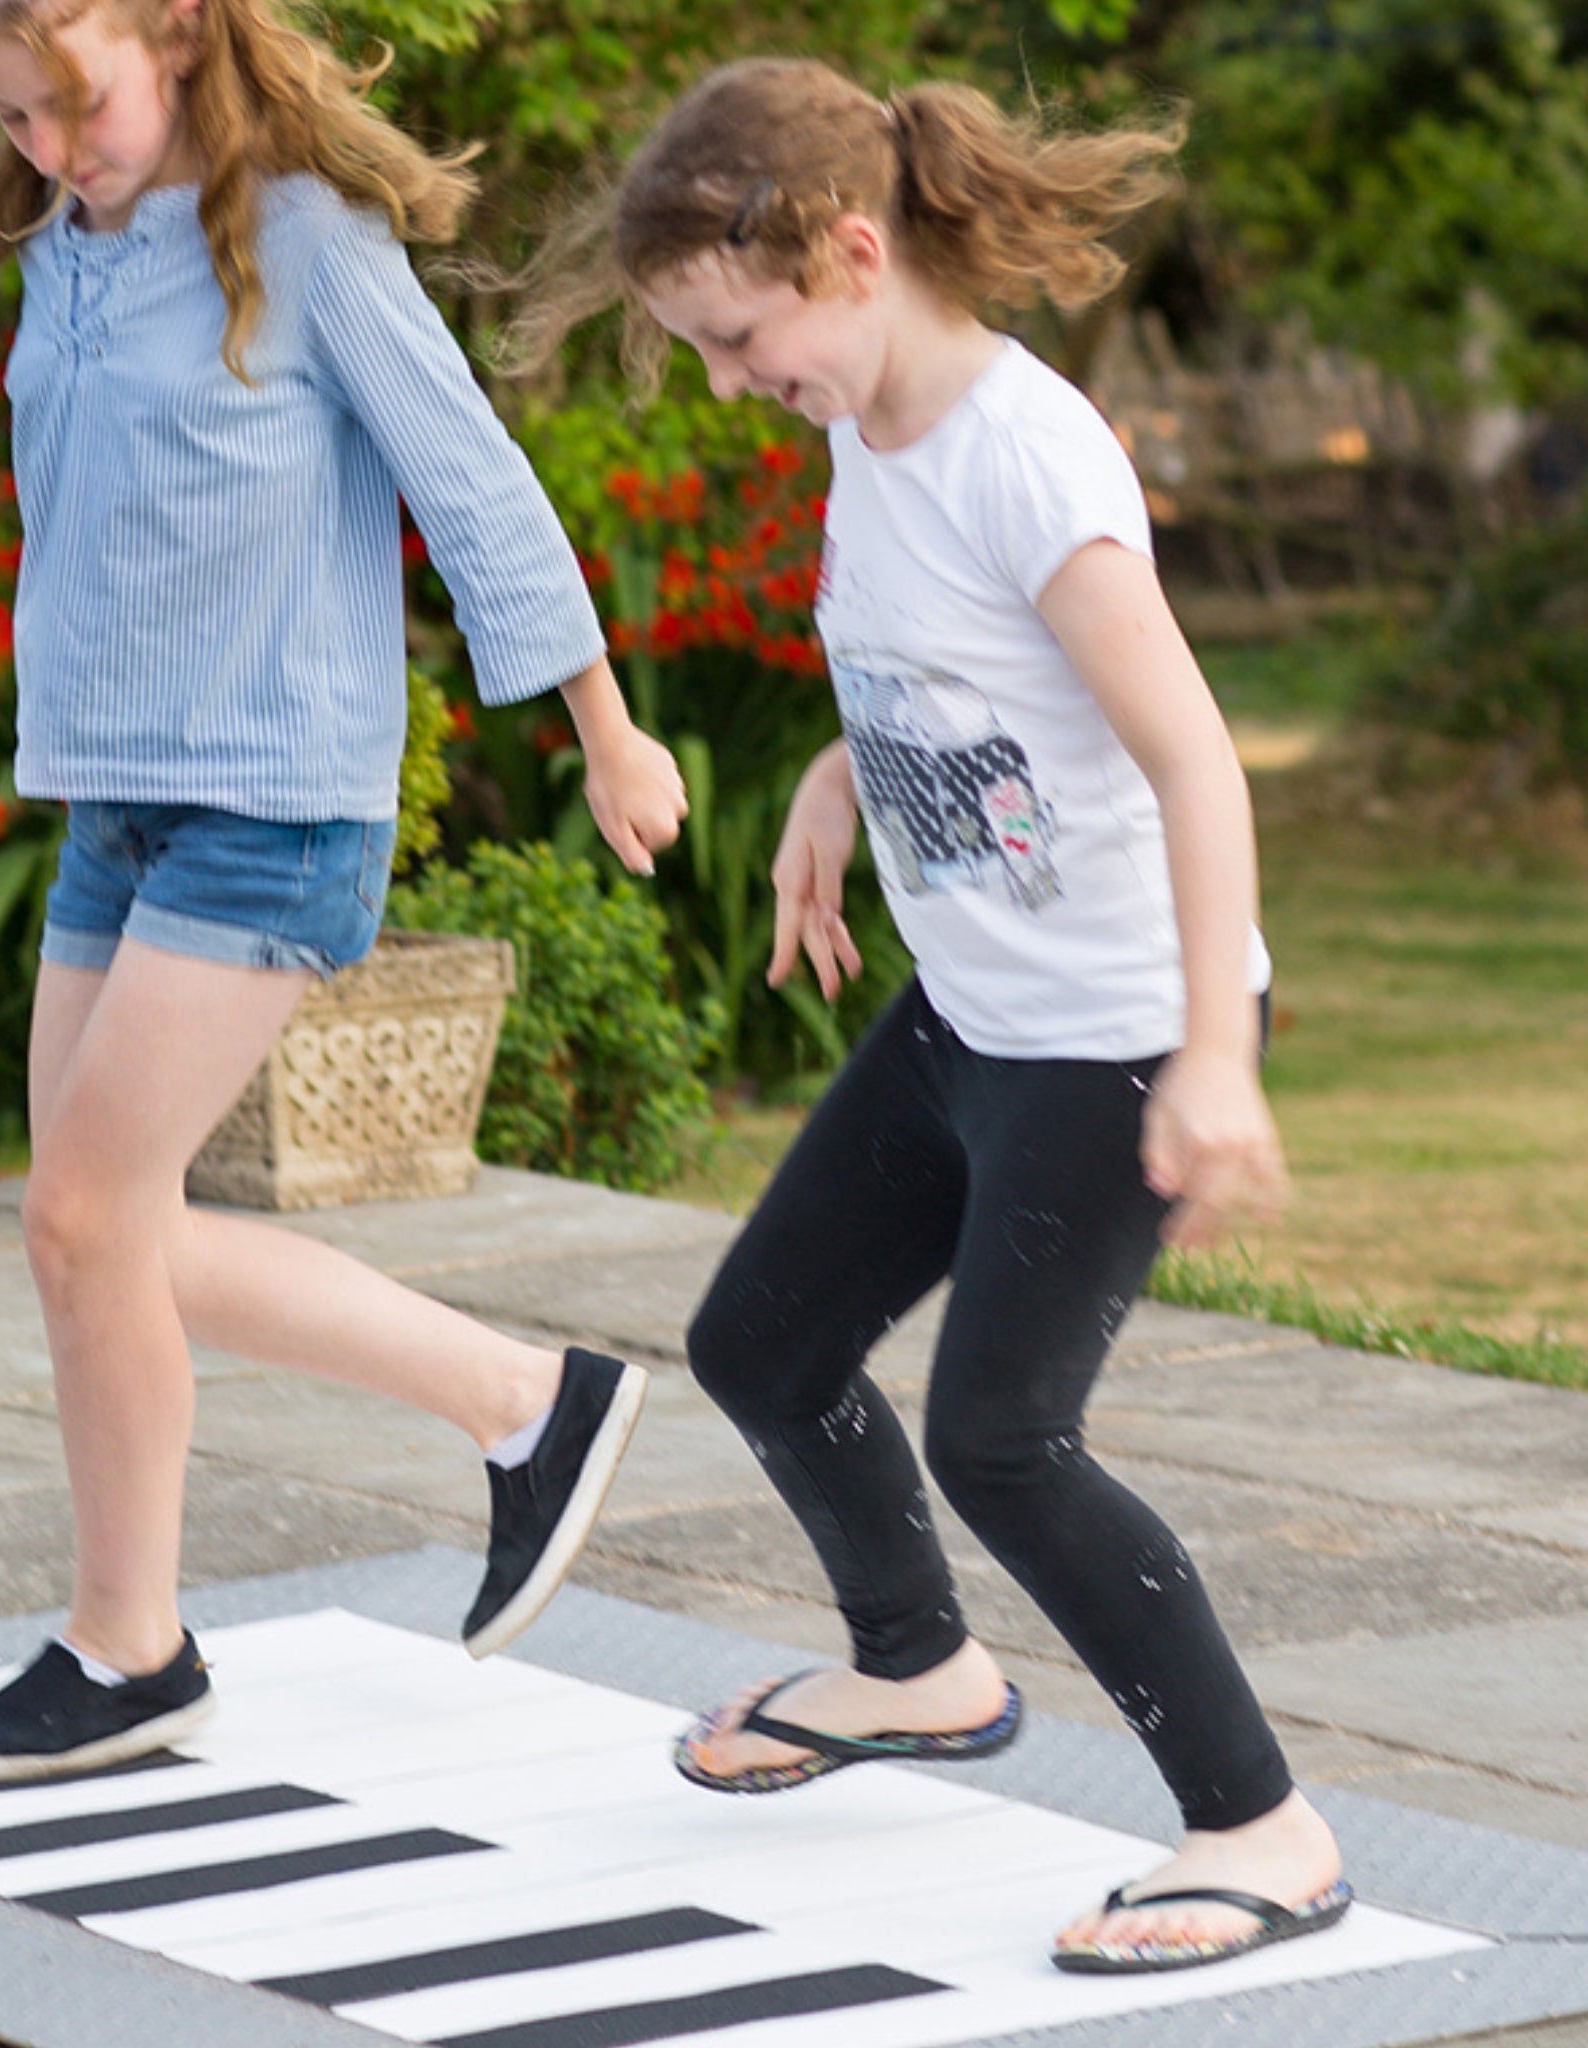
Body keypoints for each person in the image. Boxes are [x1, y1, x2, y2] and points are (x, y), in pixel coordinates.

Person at [506, 58, 1347, 1976]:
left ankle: (1260, 1824)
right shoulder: (867, 425)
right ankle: (921, 1669)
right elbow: (948, 669)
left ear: (853, 252)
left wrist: (1215, 1055)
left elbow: (1196, 763)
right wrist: (835, 783)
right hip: (974, 1014)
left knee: (1004, 1436)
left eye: (737, 338)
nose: (731, 381)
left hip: (1120, 1033)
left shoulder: (1023, 458)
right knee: (764, 1341)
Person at [0, 0, 687, 1785]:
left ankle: (130, 1643)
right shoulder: (64, 233)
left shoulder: (301, 235)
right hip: (118, 803)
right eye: (13, 120)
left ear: (181, 32)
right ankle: (524, 1403)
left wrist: (607, 729)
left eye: (77, 108)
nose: (50, 153)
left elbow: (472, 477)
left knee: (83, 1225)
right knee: (94, 1244)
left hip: (275, 799)